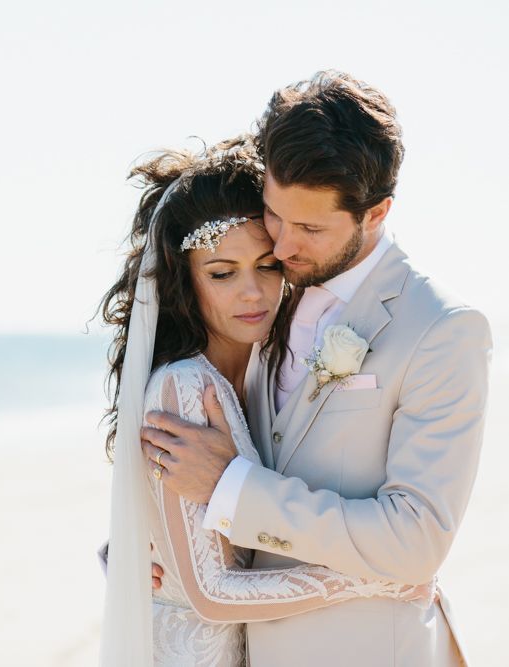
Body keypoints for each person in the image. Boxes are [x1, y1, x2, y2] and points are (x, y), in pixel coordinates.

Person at [142, 72, 492, 666]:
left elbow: (415, 540)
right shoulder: (265, 296)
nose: (281, 246)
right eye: (275, 215)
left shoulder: (441, 330)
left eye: (309, 228)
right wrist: (152, 552)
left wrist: (231, 488)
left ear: (376, 213)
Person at [99, 138, 433, 667]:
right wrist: (375, 582)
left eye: (266, 266)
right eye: (222, 273)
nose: (252, 293)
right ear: (185, 279)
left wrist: (132, 548)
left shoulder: (263, 369)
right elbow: (210, 593)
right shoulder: (185, 386)